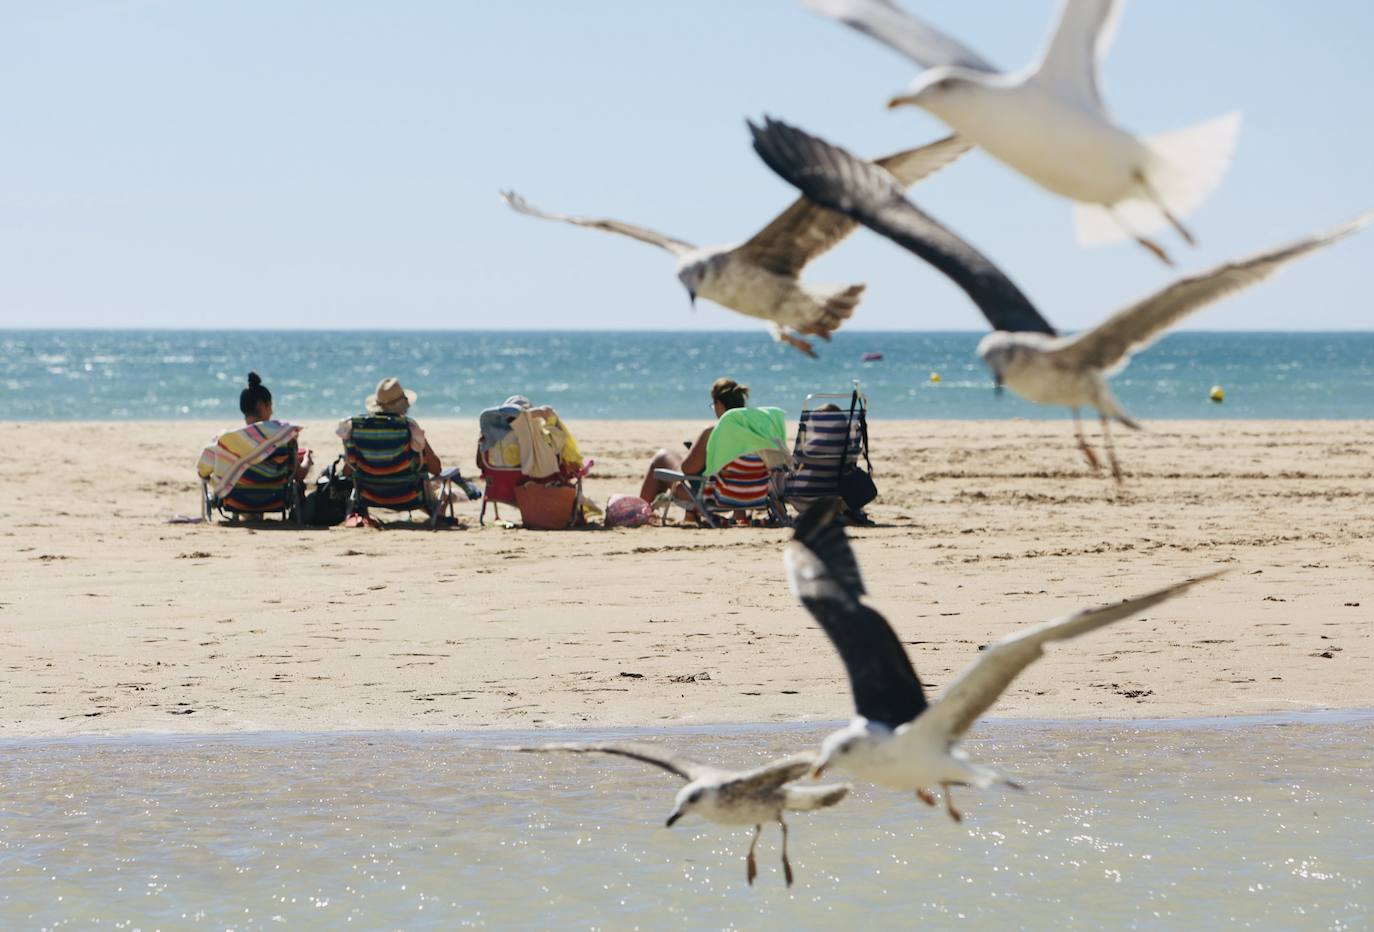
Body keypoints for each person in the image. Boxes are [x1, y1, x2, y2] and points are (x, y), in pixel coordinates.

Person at [639, 377, 750, 503]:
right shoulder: (756, 432)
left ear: (719, 404)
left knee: (662, 457)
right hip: (751, 493)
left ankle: (642, 511)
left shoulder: (711, 432)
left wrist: (694, 452)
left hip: (714, 496)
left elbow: (687, 469)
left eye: (713, 405)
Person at [336, 376, 442, 476]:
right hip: (406, 493)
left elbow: (348, 470)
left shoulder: (359, 428)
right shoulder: (408, 428)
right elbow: (436, 469)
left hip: (369, 494)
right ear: (403, 405)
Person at [239, 371, 312, 480]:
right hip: (276, 497)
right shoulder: (286, 438)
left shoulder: (230, 441)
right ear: (262, 406)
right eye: (270, 406)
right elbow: (299, 475)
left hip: (238, 497)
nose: (272, 412)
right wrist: (307, 460)